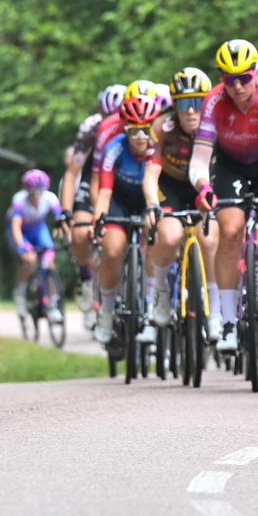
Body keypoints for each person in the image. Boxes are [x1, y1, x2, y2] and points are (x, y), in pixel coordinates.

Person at [188, 39, 258, 354]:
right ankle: (228, 321)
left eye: (244, 79)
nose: (237, 87)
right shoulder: (213, 102)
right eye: (229, 80)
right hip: (230, 164)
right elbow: (200, 157)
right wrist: (203, 187)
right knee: (231, 229)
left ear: (255, 73)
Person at [142, 68, 220, 339]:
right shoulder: (163, 127)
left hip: (205, 185)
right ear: (174, 105)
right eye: (184, 104)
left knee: (209, 240)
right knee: (170, 234)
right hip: (171, 187)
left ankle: (216, 311)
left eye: (197, 103)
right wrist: (152, 204)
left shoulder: (217, 123)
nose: (190, 111)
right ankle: (161, 291)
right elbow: (151, 174)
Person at [93, 95, 161, 344]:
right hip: (119, 201)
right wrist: (98, 221)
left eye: (146, 131)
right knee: (112, 251)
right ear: (125, 130)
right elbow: (104, 192)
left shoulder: (158, 149)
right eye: (134, 132)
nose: (141, 138)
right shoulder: (115, 149)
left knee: (155, 241)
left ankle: (153, 302)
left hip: (149, 200)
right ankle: (107, 311)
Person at [61, 84, 126, 330]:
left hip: (123, 175)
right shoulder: (91, 128)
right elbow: (72, 173)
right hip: (93, 176)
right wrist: (66, 212)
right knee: (80, 232)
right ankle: (87, 280)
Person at [10, 170, 65, 322]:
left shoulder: (50, 198)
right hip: (23, 232)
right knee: (30, 260)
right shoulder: (20, 201)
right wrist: (22, 246)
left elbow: (60, 219)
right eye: (33, 192)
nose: (37, 196)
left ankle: (52, 303)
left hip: (39, 229)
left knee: (49, 262)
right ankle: (20, 293)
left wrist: (69, 236)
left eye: (40, 192)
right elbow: (15, 227)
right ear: (27, 191)